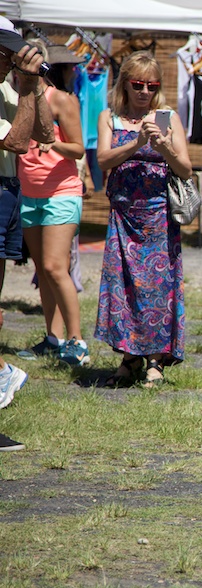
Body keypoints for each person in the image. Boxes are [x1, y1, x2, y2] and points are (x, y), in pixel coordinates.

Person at [95, 51, 191, 388]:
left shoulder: (167, 118)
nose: (144, 91)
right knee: (123, 289)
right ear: (125, 83)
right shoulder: (110, 117)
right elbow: (103, 160)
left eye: (151, 85)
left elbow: (186, 169)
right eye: (137, 84)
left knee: (156, 291)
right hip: (123, 217)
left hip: (159, 218)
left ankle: (155, 361)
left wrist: (163, 146)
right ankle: (128, 357)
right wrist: (137, 143)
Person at [0, 21, 55, 451]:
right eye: (7, 53)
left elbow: (46, 134)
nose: (12, 59)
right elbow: (18, 142)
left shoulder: (8, 85)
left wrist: (34, 87)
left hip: (9, 191)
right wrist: (25, 86)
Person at [17, 42, 88, 366]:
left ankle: (77, 341)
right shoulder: (16, 98)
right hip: (29, 193)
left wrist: (52, 142)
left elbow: (78, 149)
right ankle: (53, 337)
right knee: (42, 271)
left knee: (55, 268)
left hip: (61, 192)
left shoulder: (60, 99)